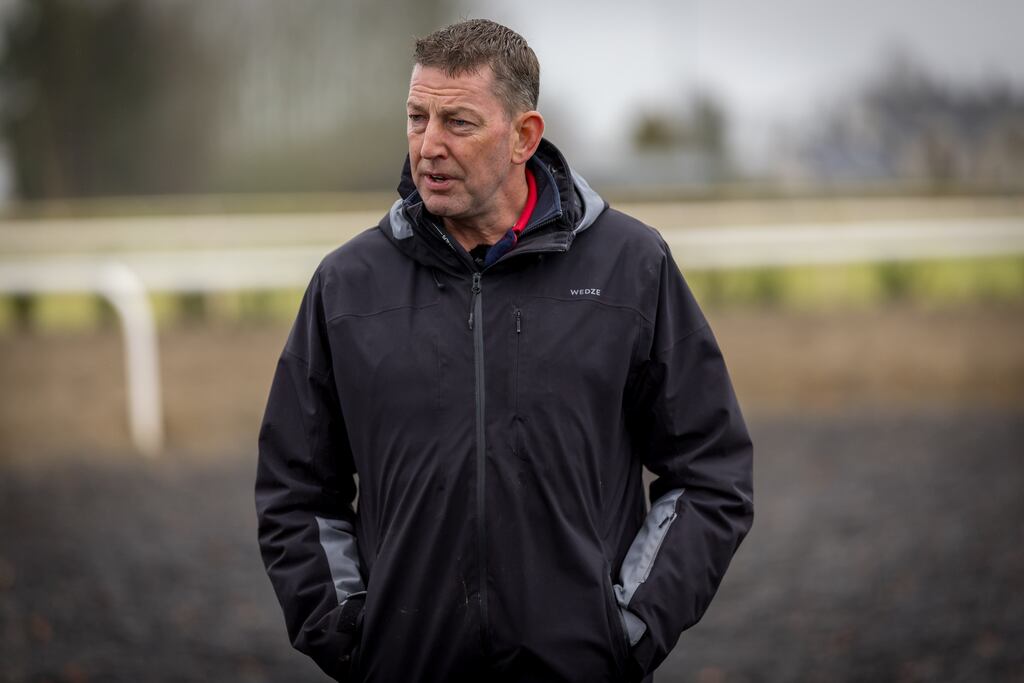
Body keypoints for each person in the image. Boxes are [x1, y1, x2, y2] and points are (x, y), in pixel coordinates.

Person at [256, 18, 753, 683]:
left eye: (457, 122)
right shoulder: (347, 285)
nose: (427, 145)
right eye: (416, 117)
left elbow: (710, 471)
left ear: (524, 136)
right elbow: (295, 489)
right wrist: (349, 632)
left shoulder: (631, 267)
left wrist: (627, 627)